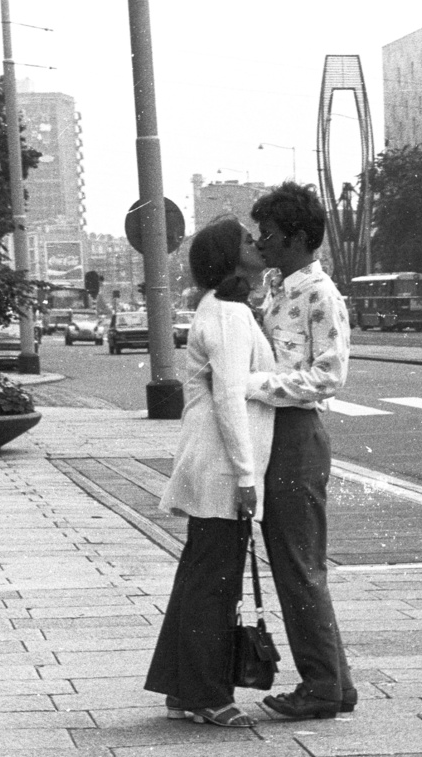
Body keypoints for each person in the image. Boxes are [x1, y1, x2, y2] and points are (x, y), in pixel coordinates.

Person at [145, 217, 276, 728]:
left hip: (218, 460)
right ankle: (204, 695)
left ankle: (185, 689)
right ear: (229, 256)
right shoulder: (227, 313)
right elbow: (228, 395)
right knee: (214, 582)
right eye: (247, 240)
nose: (257, 244)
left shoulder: (226, 309)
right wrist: (246, 474)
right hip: (223, 465)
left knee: (203, 577)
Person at [246, 182, 357, 720]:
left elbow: (329, 374)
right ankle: (337, 680)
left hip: (297, 436)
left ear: (294, 236)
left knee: (298, 566)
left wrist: (256, 385)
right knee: (298, 564)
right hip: (274, 436)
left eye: (267, 233)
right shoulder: (276, 289)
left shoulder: (319, 294)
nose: (260, 242)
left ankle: (320, 687)